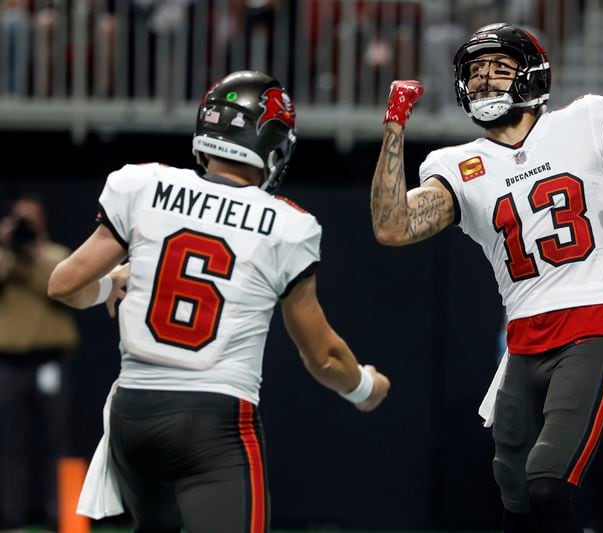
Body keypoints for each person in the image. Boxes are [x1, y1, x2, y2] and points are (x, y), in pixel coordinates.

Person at [369, 22, 603, 533]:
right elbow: (392, 227)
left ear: (531, 73)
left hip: (593, 326)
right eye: (474, 71)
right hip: (522, 342)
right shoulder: (458, 163)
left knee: (546, 483)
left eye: (499, 68)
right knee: (513, 493)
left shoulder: (584, 120)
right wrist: (393, 129)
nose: (485, 81)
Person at [48, 70, 390, 532]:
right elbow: (324, 356)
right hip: (214, 419)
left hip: (134, 414)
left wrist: (113, 284)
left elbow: (63, 284)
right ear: (271, 142)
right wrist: (364, 388)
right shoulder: (287, 225)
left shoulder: (143, 185)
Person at [0, 195, 80, 529]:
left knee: (56, 439)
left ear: (42, 222)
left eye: (30, 220)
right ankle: (10, 515)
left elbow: (64, 287)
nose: (25, 226)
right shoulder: (4, 257)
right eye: (20, 219)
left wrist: (32, 253)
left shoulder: (56, 256)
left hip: (49, 360)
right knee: (8, 441)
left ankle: (59, 514)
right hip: (8, 362)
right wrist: (5, 244)